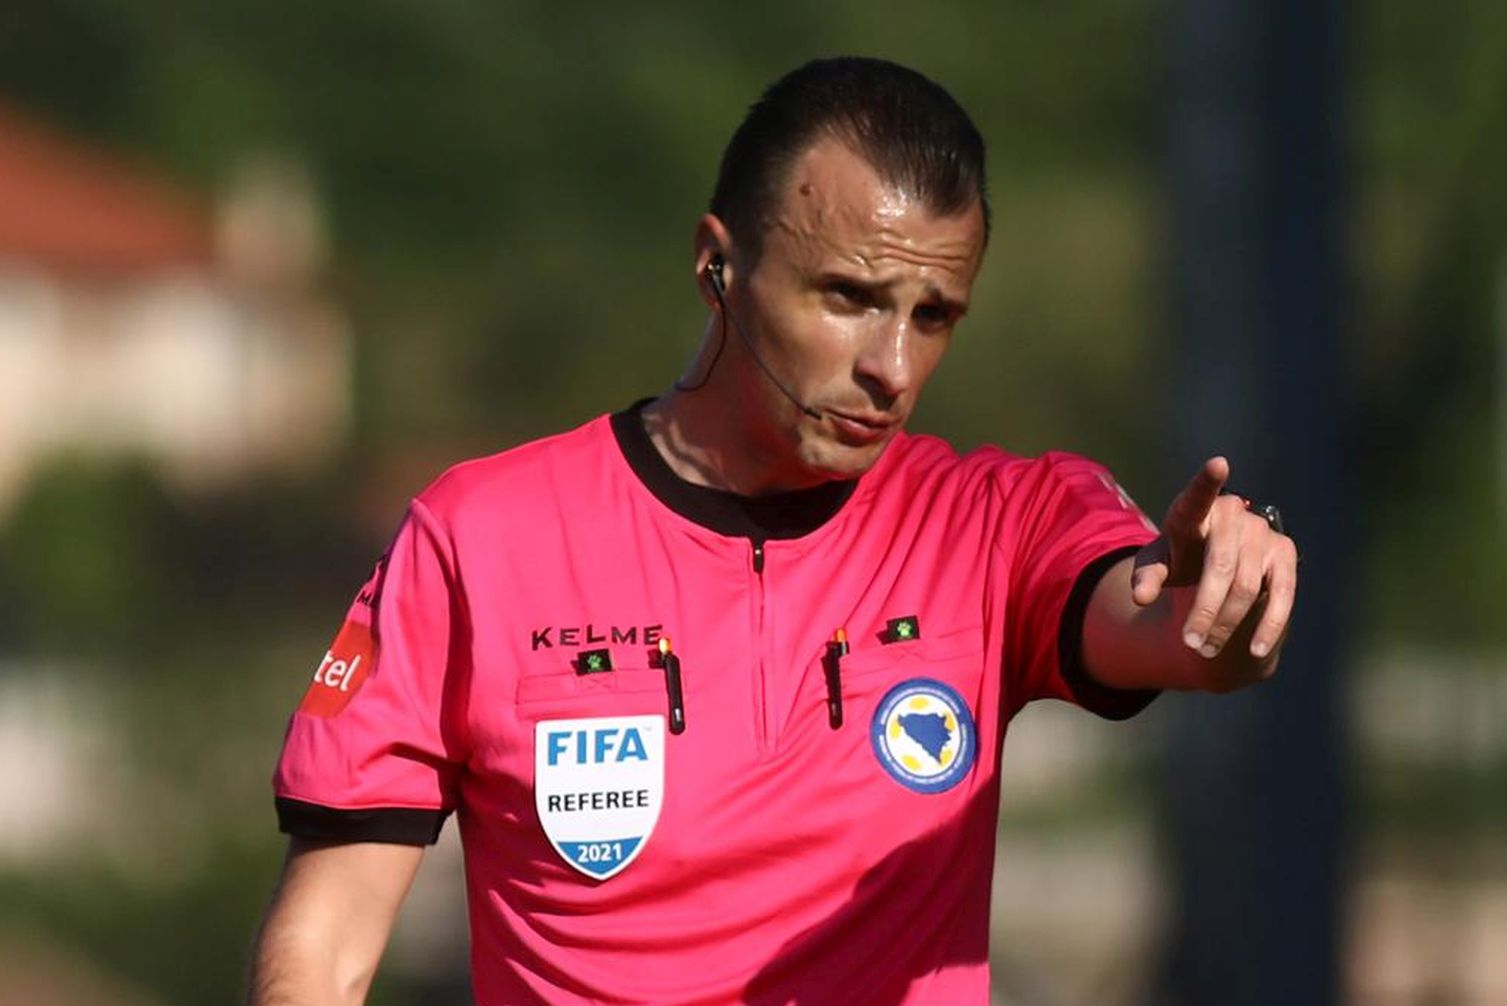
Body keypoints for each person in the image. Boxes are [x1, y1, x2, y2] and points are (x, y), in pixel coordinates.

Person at [248, 56, 1297, 1005]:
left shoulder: (992, 525)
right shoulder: (478, 538)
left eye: (933, 314)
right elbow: (326, 942)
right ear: (718, 265)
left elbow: (1155, 623)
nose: (890, 364)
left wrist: (1225, 604)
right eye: (849, 296)